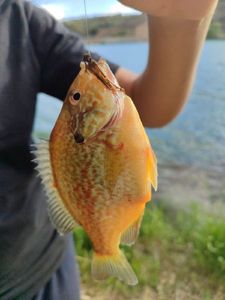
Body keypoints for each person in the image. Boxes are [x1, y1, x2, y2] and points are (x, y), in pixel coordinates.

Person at [0, 0, 218, 299]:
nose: (80, 89)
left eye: (74, 98)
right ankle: (106, 250)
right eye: (76, 96)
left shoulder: (20, 20)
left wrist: (180, 18)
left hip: (41, 261)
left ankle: (106, 249)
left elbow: (152, 104)